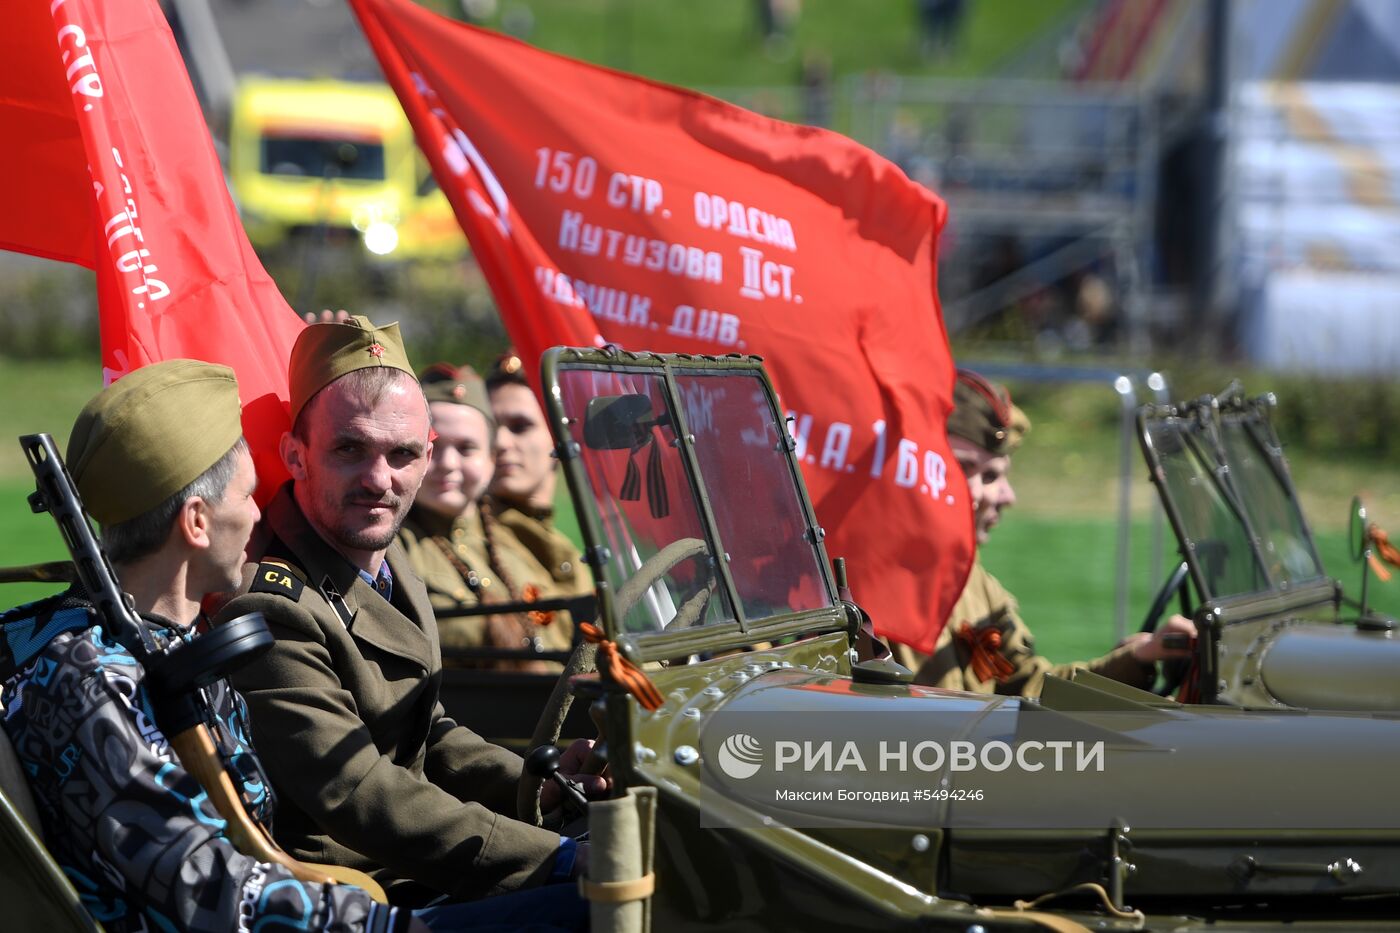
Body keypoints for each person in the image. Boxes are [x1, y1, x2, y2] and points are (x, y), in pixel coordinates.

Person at [0, 360, 408, 932]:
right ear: (196, 521)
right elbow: (208, 893)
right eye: (247, 494)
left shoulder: (159, 645)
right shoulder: (97, 678)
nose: (258, 513)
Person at [216, 317, 601, 913]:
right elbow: (357, 790)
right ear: (296, 454)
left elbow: (429, 730)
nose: (379, 480)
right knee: (611, 910)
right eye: (349, 449)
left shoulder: (384, 556)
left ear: (427, 456)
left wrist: (537, 787)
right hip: (351, 897)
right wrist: (551, 858)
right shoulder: (274, 606)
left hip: (419, 864)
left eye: (400, 455)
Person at [890, 369, 1196, 697]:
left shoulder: (973, 585)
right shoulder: (863, 587)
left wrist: (1138, 657)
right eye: (973, 471)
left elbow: (1028, 687)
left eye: (998, 475)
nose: (1005, 496)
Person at [397, 364, 572, 671]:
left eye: (467, 448)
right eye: (434, 446)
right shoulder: (391, 546)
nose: (449, 463)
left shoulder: (520, 537)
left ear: (492, 459)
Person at [484, 352, 593, 625]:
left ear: (558, 435)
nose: (501, 442)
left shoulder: (569, 547)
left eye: (520, 426)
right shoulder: (476, 536)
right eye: (491, 427)